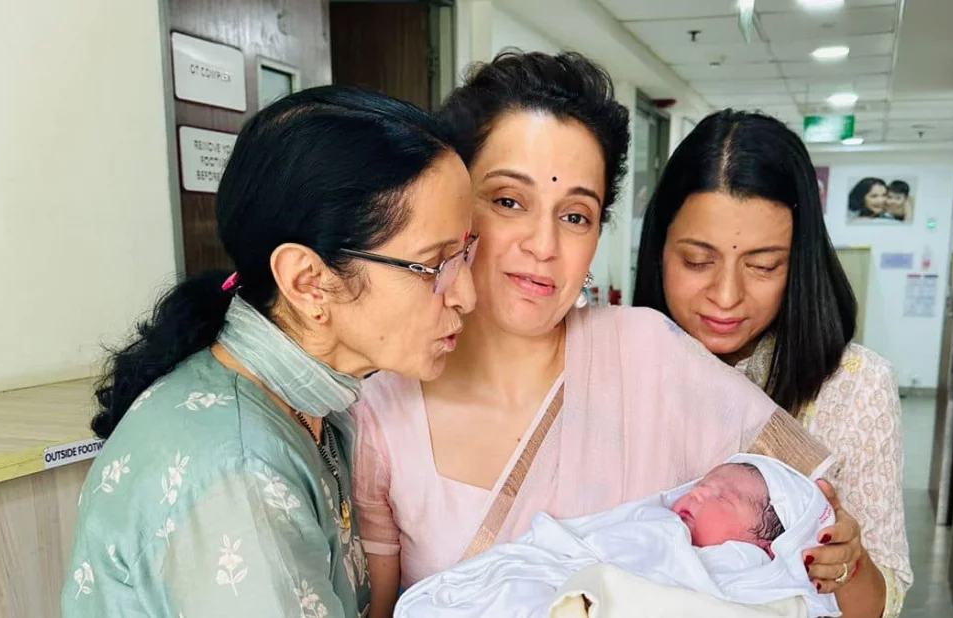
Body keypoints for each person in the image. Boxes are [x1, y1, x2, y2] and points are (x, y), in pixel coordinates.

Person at [353, 52, 830, 618]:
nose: (543, 245)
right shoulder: (383, 411)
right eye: (509, 201)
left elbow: (811, 532)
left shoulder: (648, 356)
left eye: (575, 216)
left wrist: (839, 562)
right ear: (452, 202)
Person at [61, 86, 477, 618]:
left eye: (466, 253)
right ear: (308, 282)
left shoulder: (313, 401)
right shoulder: (239, 476)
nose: (466, 295)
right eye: (436, 265)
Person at [633, 109, 912, 618]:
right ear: (658, 250)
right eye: (697, 261)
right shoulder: (622, 362)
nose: (726, 296)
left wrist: (847, 562)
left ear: (799, 262)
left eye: (763, 266)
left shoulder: (854, 387)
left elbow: (880, 606)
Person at [393, 455, 840, 618]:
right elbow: (594, 553)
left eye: (721, 495)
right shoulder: (661, 530)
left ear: (769, 545)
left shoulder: (755, 574)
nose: (699, 493)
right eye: (702, 484)